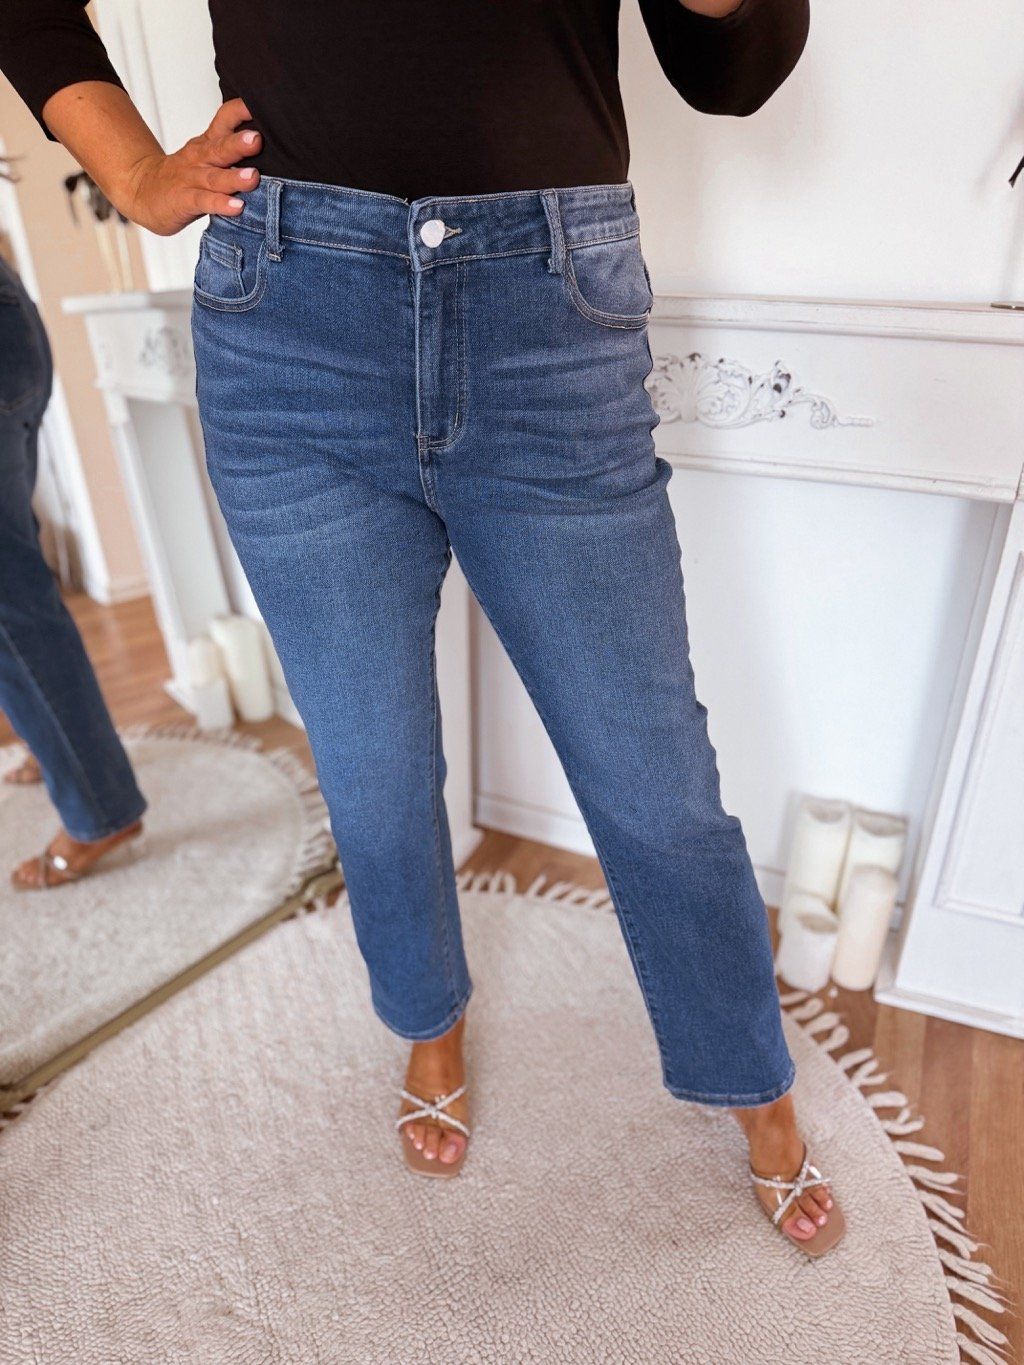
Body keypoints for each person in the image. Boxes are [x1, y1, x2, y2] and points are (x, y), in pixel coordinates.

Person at [0, 0, 843, 1252]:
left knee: (652, 777)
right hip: (288, 313)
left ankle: (752, 1084)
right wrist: (129, 170)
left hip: (547, 309)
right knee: (370, 763)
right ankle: (426, 1021)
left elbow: (733, 68)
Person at [0, 246, 146, 888]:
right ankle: (53, 742)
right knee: (14, 576)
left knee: (10, 603)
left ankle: (99, 810)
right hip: (12, 319)